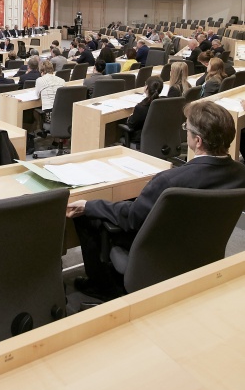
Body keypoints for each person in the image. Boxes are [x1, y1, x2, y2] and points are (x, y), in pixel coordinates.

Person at [67, 100, 245, 299]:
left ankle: (102, 286)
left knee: (88, 215)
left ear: (198, 141)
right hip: (201, 253)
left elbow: (131, 218)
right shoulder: (241, 175)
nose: (184, 131)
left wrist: (90, 204)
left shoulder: (169, 182)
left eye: (186, 127)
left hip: (156, 255)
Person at [124, 76, 163, 143]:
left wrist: (130, 117)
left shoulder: (141, 108)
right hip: (159, 136)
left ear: (146, 88)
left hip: (140, 138)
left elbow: (131, 125)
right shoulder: (163, 102)